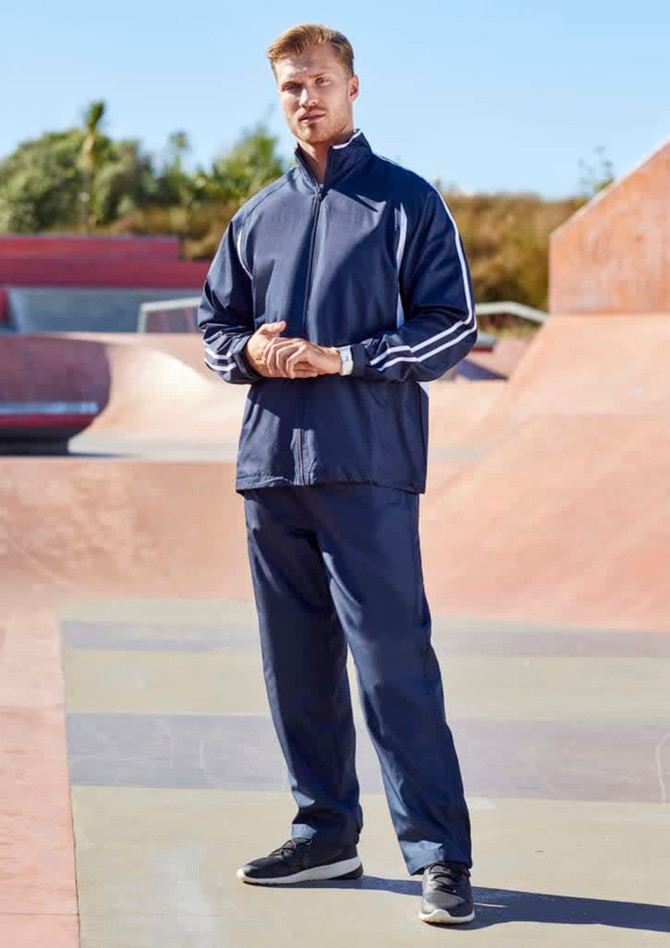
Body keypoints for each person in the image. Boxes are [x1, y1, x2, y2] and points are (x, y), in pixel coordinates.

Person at [198, 23, 477, 926]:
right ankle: (324, 833)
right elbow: (214, 328)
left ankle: (439, 856)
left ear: (355, 85)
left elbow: (452, 326)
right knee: (296, 666)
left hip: (369, 466)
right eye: (290, 87)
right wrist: (255, 351)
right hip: (272, 468)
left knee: (394, 663)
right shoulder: (255, 217)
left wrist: (345, 358)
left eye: (319, 81)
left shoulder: (407, 204)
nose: (305, 99)